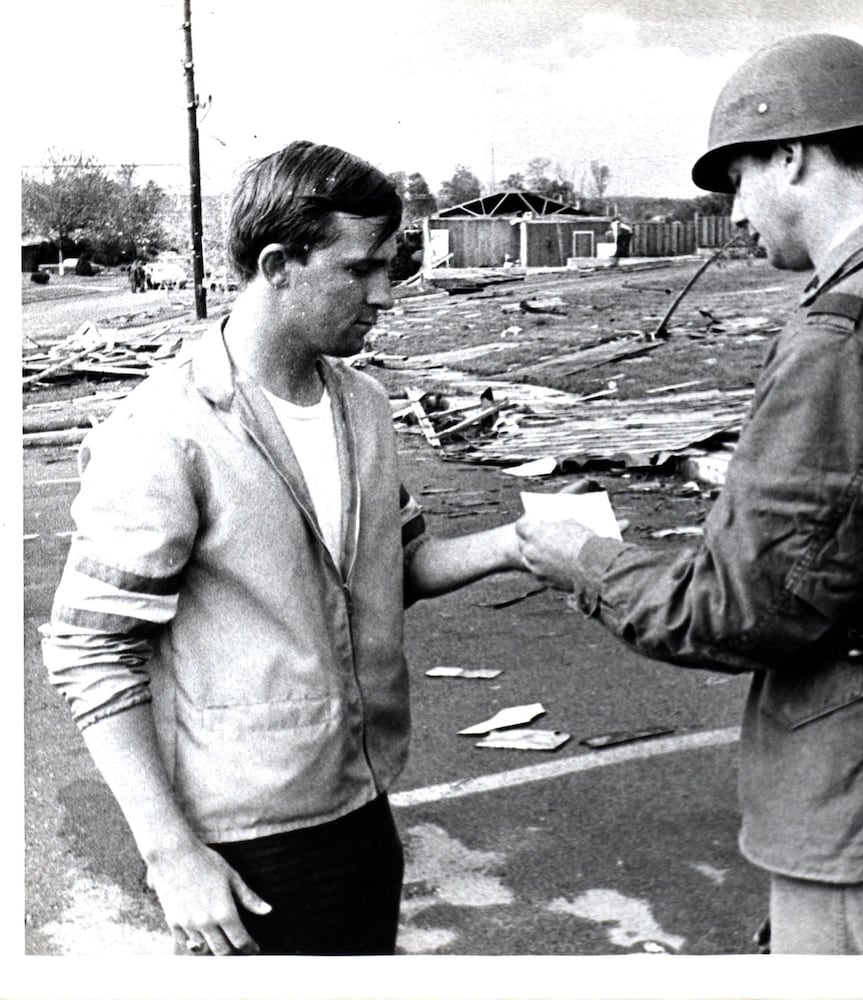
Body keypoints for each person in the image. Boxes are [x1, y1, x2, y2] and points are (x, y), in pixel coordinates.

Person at [517, 34, 863, 955]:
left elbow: (737, 608)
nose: (731, 214)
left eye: (735, 179)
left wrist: (590, 564)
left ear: (793, 154)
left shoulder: (840, 336)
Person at [42, 140, 526, 956]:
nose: (386, 296)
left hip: (364, 810)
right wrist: (170, 855)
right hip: (245, 847)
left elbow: (391, 571)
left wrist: (517, 543)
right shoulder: (168, 430)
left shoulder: (364, 405)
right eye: (359, 270)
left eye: (390, 268)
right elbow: (91, 651)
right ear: (278, 265)